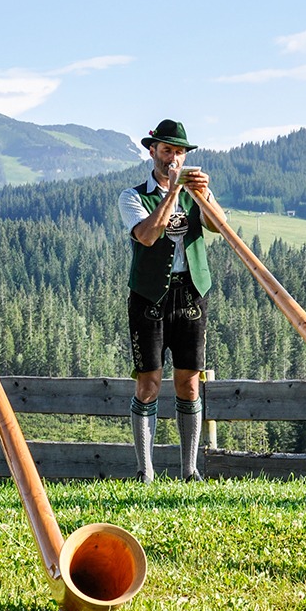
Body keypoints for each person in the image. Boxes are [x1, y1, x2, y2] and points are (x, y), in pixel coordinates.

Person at [118, 119, 225, 483]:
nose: (174, 158)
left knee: (189, 382)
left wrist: (205, 196)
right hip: (149, 294)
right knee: (148, 382)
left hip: (191, 290)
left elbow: (219, 227)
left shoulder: (195, 192)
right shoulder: (133, 196)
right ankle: (145, 471)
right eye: (167, 151)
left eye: (179, 152)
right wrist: (172, 194)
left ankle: (189, 470)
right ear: (152, 152)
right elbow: (147, 236)